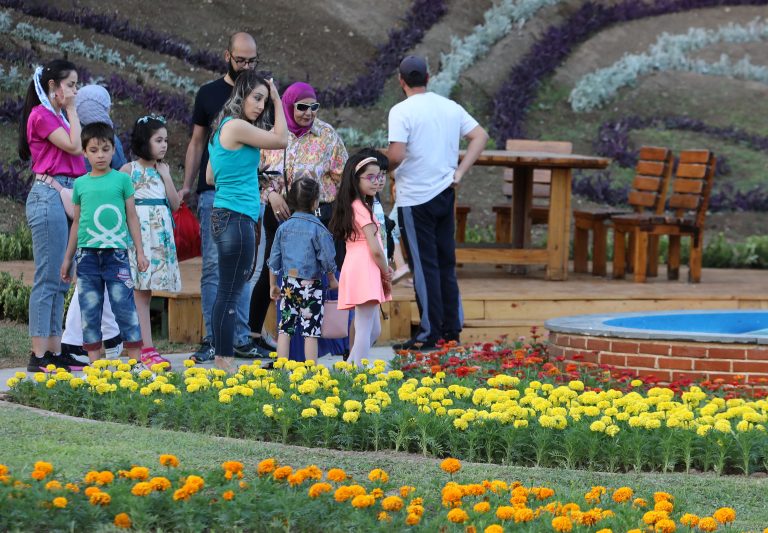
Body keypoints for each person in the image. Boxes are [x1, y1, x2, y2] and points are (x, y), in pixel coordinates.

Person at [387, 55, 489, 351]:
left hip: (414, 198)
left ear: (401, 81)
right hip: (445, 192)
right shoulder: (450, 107)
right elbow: (480, 136)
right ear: (429, 78)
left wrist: (380, 167)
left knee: (423, 266)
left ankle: (429, 334)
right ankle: (451, 330)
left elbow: (397, 154)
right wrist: (459, 171)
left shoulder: (401, 111)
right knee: (445, 264)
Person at [179, 32, 266, 361]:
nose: (245, 65)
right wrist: (188, 185)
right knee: (215, 267)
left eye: (251, 60)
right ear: (227, 55)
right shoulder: (209, 93)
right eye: (240, 59)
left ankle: (241, 337)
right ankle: (214, 339)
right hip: (214, 194)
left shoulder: (259, 97)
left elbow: (270, 143)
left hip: (248, 194)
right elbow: (197, 142)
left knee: (244, 268)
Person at [254, 81, 348, 358]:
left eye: (314, 106)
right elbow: (257, 173)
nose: (309, 112)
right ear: (288, 105)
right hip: (282, 214)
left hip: (320, 216)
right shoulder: (274, 134)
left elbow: (343, 176)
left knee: (325, 274)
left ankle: (332, 342)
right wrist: (272, 195)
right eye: (302, 107)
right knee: (275, 272)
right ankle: (256, 336)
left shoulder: (327, 135)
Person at [203, 71, 287, 371]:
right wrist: (279, 99)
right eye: (257, 98)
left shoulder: (220, 128)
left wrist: (245, 171)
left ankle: (221, 357)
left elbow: (211, 176)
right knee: (229, 293)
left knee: (226, 291)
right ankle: (224, 362)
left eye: (265, 100)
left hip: (224, 215)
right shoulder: (237, 125)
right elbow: (281, 139)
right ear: (241, 95)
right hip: (237, 218)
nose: (262, 105)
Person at [18, 59, 91, 372]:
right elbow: (76, 147)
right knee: (48, 276)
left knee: (62, 278)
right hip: (48, 196)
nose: (75, 91)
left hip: (67, 195)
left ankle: (54, 348)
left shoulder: (59, 116)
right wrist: (73, 111)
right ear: (53, 87)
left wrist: (70, 112)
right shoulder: (42, 116)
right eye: (71, 85)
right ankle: (39, 354)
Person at [60, 122, 148, 363]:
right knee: (90, 311)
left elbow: (132, 217)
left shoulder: (122, 181)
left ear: (113, 150)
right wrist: (67, 259)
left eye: (106, 149)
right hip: (86, 257)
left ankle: (135, 363)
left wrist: (140, 252)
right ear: (85, 152)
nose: (100, 155)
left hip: (116, 255)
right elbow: (77, 223)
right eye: (94, 150)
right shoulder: (80, 184)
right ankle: (95, 364)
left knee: (124, 308)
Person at [60, 84, 127, 360]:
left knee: (88, 280)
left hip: (78, 213)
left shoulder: (73, 132)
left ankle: (97, 337)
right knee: (97, 280)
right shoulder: (108, 140)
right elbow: (121, 175)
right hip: (103, 223)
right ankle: (81, 339)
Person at [120, 115, 182, 368]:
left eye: (166, 140)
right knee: (139, 291)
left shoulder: (162, 170)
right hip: (140, 237)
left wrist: (167, 176)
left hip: (159, 237)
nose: (164, 145)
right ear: (144, 142)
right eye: (158, 140)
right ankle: (144, 346)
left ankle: (141, 345)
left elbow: (176, 204)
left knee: (145, 290)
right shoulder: (129, 170)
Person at [329, 152, 392, 367]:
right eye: (370, 177)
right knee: (365, 328)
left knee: (372, 328)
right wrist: (386, 270)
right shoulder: (362, 209)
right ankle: (357, 373)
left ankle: (350, 370)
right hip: (366, 267)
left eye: (379, 176)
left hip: (358, 266)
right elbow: (375, 249)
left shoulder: (355, 205)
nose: (377, 181)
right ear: (357, 180)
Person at [268, 178, 338, 362]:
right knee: (311, 331)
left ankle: (281, 371)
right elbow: (327, 259)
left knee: (285, 329)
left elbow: (274, 259)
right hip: (312, 286)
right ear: (315, 202)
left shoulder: (283, 228)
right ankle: (310, 373)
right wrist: (332, 279)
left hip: (288, 284)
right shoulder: (319, 229)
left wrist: (273, 285)